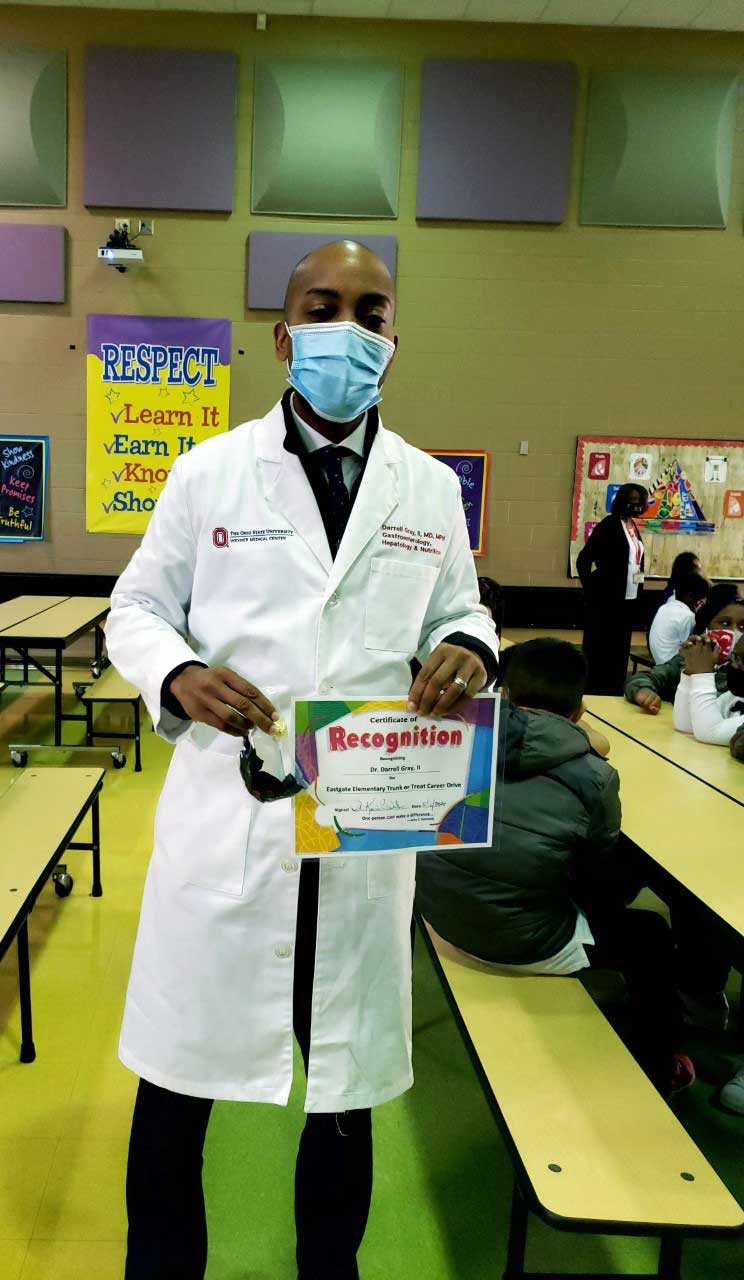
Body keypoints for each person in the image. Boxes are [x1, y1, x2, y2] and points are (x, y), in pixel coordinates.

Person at [105, 240, 499, 1280]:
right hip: (228, 827)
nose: (347, 328)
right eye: (323, 307)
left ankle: (332, 1269)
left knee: (343, 1089)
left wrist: (473, 646)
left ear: (392, 342)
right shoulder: (210, 470)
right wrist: (180, 669)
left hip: (363, 823)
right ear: (283, 336)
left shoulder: (425, 488)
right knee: (176, 1084)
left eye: (370, 312)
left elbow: (463, 610)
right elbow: (137, 608)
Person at [415, 638, 692, 1095]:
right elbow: (598, 863)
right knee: (651, 933)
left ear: (503, 695)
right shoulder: (594, 775)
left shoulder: (456, 736)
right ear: (580, 712)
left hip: (438, 909)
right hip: (519, 943)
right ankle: (662, 1062)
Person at [625, 584, 744, 715]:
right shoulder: (687, 660)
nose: (734, 632)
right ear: (707, 627)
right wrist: (644, 692)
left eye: (742, 626)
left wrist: (702, 673)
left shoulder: (739, 672)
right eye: (725, 623)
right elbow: (645, 677)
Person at [577, 483, 648, 694]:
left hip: (628, 599)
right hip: (606, 601)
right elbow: (584, 560)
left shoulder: (632, 526)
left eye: (640, 502)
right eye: (633, 501)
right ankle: (594, 690)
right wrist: (592, 590)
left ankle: (615, 689)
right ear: (623, 501)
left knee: (620, 650)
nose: (637, 506)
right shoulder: (609, 525)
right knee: (601, 649)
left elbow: (636, 562)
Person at [674, 633, 744, 745]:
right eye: (735, 657)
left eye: (742, 660)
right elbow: (686, 725)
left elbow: (709, 733)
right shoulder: (734, 697)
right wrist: (691, 670)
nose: (734, 665)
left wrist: (703, 673)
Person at [648, 571, 709, 664]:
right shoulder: (687, 616)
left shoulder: (665, 607)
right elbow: (690, 648)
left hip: (658, 660)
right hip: (672, 666)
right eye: (700, 600)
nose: (701, 604)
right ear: (690, 596)